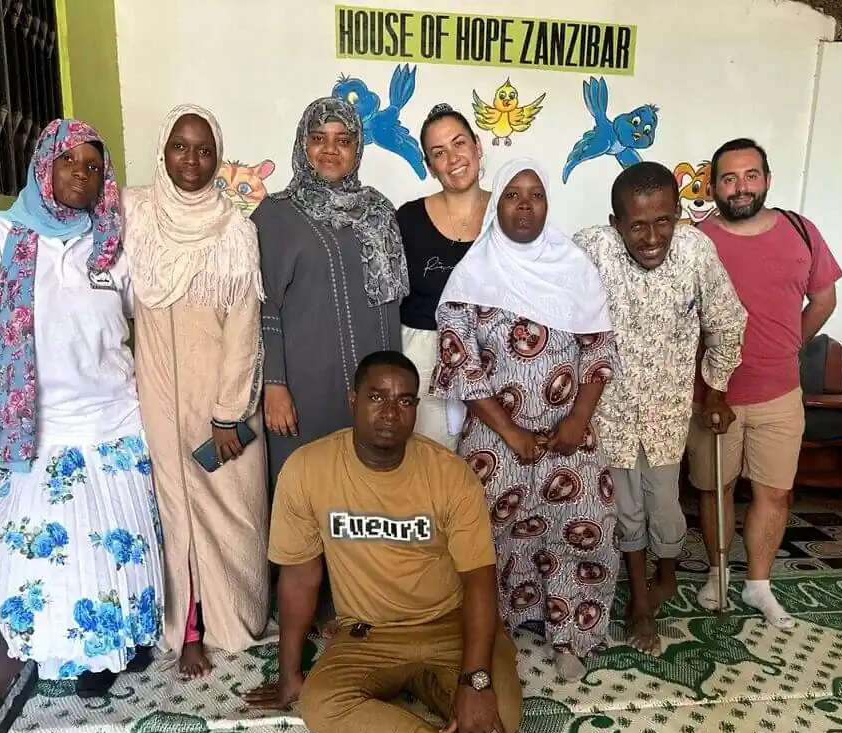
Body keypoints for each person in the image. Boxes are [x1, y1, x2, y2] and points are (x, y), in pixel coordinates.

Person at [244, 350, 540, 733]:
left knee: (499, 716)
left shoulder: (448, 474)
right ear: (353, 401)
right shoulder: (307, 469)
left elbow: (479, 581)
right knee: (320, 706)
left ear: (416, 409)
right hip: (368, 636)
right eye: (377, 397)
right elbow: (299, 578)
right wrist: (290, 672)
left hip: (449, 628)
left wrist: (475, 681)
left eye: (404, 401)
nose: (389, 411)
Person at [0, 119, 163, 698]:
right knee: (53, 553)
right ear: (44, 164)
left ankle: (125, 639)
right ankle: (74, 652)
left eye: (93, 166)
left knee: (121, 541)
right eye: (69, 160)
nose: (81, 173)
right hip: (38, 427)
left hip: (115, 417)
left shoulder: (112, 244)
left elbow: (144, 317)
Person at [432, 158, 621, 682]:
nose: (524, 205)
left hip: (568, 432)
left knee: (584, 523)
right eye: (513, 194)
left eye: (535, 195)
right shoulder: (473, 274)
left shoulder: (574, 268)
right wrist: (511, 433)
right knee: (484, 532)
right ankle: (494, 631)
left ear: (547, 204)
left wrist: (577, 421)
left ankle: (572, 633)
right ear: (497, 204)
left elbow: (599, 350)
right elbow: (460, 363)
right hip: (496, 433)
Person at [574, 163, 746, 654]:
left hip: (667, 412)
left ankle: (665, 575)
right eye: (637, 226)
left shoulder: (696, 251)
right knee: (626, 510)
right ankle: (639, 601)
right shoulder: (591, 248)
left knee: (666, 507)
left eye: (663, 221)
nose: (652, 238)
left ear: (679, 214)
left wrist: (716, 390)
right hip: (612, 411)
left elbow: (728, 321)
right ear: (616, 223)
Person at [125, 105, 271, 679]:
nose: (192, 160)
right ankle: (188, 629)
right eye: (180, 147)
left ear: (219, 157)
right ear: (163, 150)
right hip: (159, 394)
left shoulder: (235, 230)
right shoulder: (136, 214)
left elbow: (244, 330)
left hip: (222, 401)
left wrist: (228, 412)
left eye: (205, 150)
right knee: (175, 510)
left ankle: (233, 617)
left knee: (233, 513)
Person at [687, 138, 841, 628]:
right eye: (729, 178)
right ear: (713, 186)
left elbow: (824, 299)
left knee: (774, 493)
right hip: (712, 393)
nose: (741, 187)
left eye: (751, 175)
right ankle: (717, 574)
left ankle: (759, 585)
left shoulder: (800, 231)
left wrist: (790, 345)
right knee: (715, 489)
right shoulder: (695, 240)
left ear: (767, 180)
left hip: (780, 393)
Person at [255, 97, 408, 492]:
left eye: (343, 140)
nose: (330, 149)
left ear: (357, 148)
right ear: (303, 144)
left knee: (368, 491)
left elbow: (391, 307)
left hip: (373, 388)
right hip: (304, 387)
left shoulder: (378, 212)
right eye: (318, 138)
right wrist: (274, 385)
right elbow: (262, 304)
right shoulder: (276, 214)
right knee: (303, 488)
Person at [396, 104, 490, 449]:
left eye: (459, 143)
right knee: (430, 469)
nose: (453, 158)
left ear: (477, 146)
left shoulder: (510, 212)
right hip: (424, 365)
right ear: (429, 166)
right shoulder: (407, 219)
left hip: (497, 362)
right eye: (439, 153)